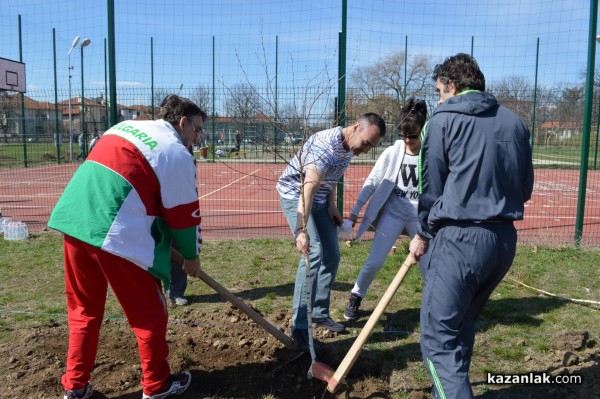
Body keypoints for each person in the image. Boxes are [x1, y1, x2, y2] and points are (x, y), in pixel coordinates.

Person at [48, 95, 206, 399]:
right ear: (182, 122)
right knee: (150, 316)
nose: (197, 138)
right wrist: (191, 257)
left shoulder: (123, 128)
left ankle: (75, 386)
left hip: (75, 222)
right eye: (196, 130)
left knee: (83, 311)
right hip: (116, 234)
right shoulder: (174, 151)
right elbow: (183, 217)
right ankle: (157, 386)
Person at [408, 53, 534, 399]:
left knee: (437, 340)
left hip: (459, 242)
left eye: (439, 91)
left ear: (452, 85)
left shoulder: (442, 121)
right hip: (503, 243)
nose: (437, 99)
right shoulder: (516, 123)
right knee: (460, 325)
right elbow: (525, 189)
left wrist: (422, 233)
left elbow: (430, 188)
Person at [276, 113, 386, 349]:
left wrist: (332, 206)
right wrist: (300, 229)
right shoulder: (325, 147)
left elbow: (333, 176)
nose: (367, 150)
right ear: (356, 127)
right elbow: (308, 189)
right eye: (366, 143)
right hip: (297, 196)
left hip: (320, 199)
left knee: (332, 255)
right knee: (313, 252)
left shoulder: (348, 146)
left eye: (372, 146)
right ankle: (300, 325)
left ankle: (318, 312)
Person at [343, 98, 427, 321]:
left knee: (428, 266)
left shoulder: (431, 152)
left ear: (422, 131)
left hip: (420, 217)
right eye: (403, 135)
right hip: (394, 213)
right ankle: (356, 295)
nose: (408, 140)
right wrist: (355, 211)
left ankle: (435, 306)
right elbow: (373, 180)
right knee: (375, 260)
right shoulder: (394, 151)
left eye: (413, 135)